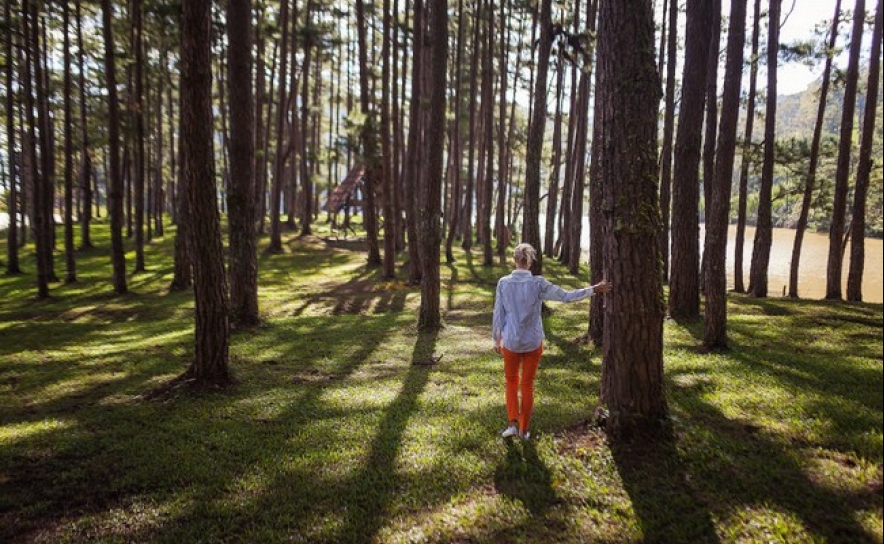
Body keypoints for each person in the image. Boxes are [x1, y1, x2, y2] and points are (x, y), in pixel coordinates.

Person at [492, 242, 612, 440]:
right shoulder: (538, 283)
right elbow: (565, 296)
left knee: (511, 382)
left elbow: (499, 313)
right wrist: (594, 289)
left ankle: (512, 424)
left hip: (511, 341)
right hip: (532, 342)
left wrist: (497, 339)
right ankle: (524, 430)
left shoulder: (503, 283)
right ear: (529, 262)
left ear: (515, 260)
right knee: (527, 385)